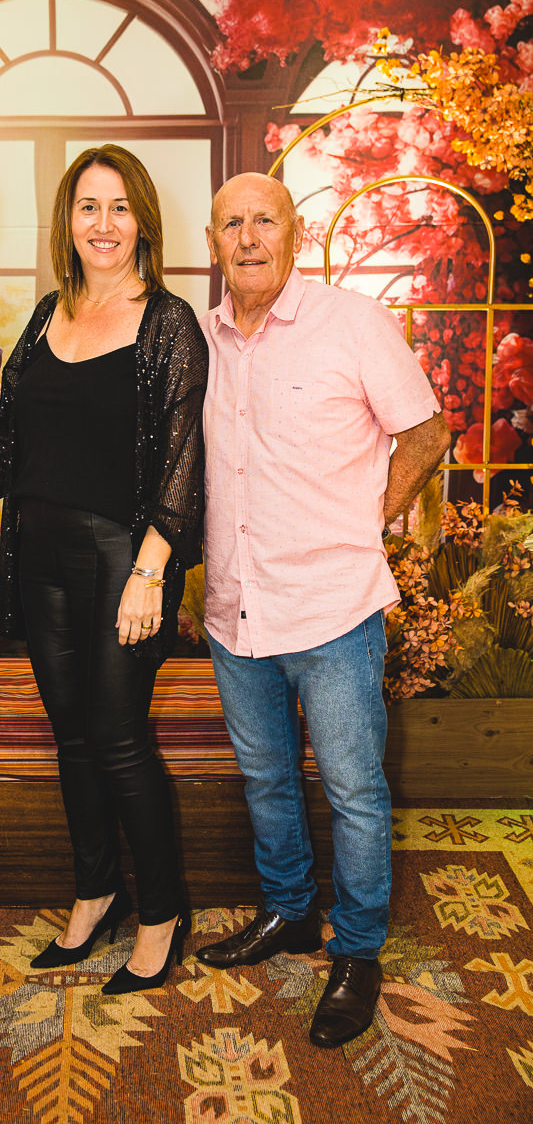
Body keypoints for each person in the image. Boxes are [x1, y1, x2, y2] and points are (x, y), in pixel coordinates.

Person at [195, 172, 451, 1047]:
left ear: (295, 235)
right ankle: (288, 911)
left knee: (353, 789)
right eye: (231, 223)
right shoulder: (201, 338)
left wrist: (365, 519)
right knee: (266, 779)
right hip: (235, 608)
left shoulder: (352, 323)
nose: (247, 237)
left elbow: (425, 430)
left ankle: (359, 948)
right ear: (213, 241)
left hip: (334, 606)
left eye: (264, 220)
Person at [0, 144, 207, 994]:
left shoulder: (168, 322)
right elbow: (13, 432)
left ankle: (161, 913)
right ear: (67, 221)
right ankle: (95, 891)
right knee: (71, 736)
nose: (103, 223)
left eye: (119, 207)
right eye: (88, 206)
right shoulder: (49, 312)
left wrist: (149, 574)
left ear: (142, 220)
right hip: (37, 550)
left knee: (117, 738)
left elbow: (183, 459)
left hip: (125, 556)